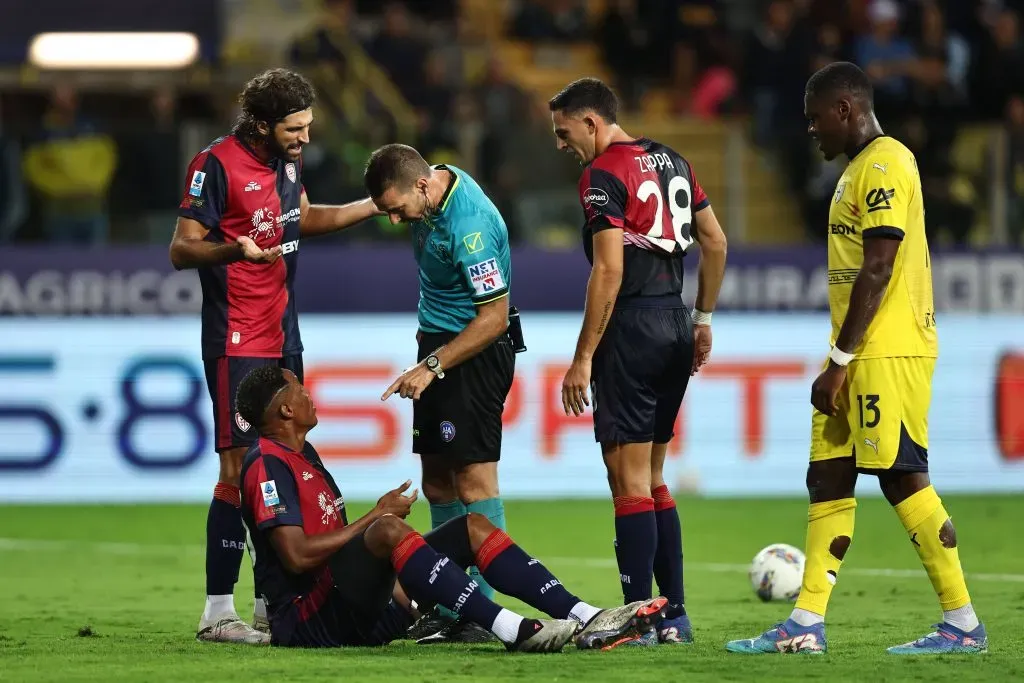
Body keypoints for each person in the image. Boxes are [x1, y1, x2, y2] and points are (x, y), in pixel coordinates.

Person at [725, 62, 987, 656]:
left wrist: (841, 357)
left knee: (900, 476)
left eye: (816, 119)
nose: (811, 131)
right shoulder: (850, 174)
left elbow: (879, 265)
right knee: (828, 476)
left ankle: (963, 623)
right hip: (852, 350)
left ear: (845, 109)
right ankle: (805, 624)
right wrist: (839, 356)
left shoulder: (887, 162)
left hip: (886, 349)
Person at [235, 365, 668, 651]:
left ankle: (585, 616)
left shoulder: (303, 454)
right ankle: (510, 629)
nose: (310, 396)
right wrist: (375, 515)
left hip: (352, 609)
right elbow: (296, 555)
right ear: (286, 409)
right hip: (310, 623)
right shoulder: (266, 465)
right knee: (385, 529)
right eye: (300, 391)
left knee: (471, 526)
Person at [169, 68, 382, 644]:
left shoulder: (288, 161)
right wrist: (229, 248)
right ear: (261, 125)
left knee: (279, 468)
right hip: (238, 338)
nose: (305, 138)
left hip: (284, 336)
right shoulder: (214, 165)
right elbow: (180, 249)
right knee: (238, 471)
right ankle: (218, 611)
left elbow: (302, 218)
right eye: (295, 128)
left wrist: (371, 206)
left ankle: (270, 601)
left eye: (309, 127)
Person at [548, 78, 728, 646]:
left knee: (626, 483)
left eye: (564, 132)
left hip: (629, 330)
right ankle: (673, 616)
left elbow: (608, 271)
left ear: (592, 123)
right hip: (674, 323)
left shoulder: (602, 175)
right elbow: (716, 242)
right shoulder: (674, 160)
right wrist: (702, 320)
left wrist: (582, 358)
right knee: (650, 478)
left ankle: (635, 620)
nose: (561, 145)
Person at [362, 143, 516, 643]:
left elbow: (492, 318)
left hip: (472, 350)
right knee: (436, 485)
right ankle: (453, 606)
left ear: (423, 187)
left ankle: (485, 614)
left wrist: (432, 364)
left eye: (396, 210)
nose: (393, 221)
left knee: (473, 482)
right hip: (437, 344)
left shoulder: (470, 229)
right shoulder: (429, 189)